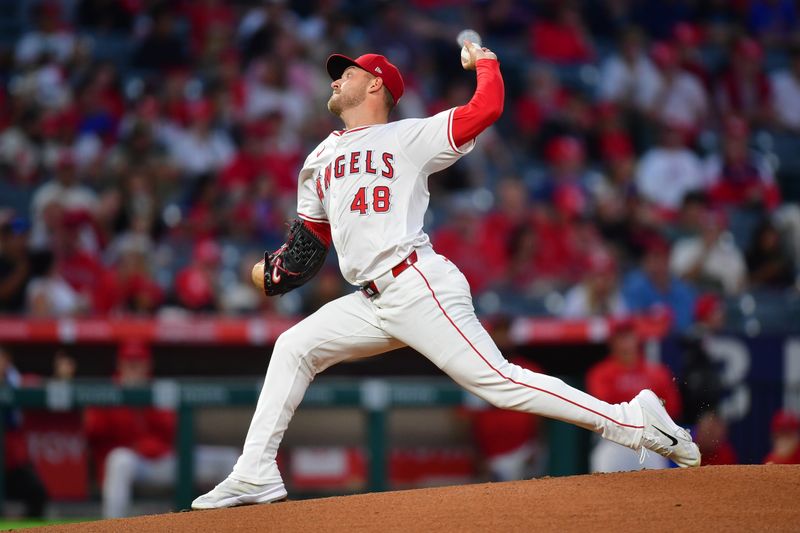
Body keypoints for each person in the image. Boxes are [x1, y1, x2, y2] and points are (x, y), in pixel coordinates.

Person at [192, 42, 700, 510]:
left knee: (500, 383)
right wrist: (269, 273)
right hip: (370, 301)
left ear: (374, 84)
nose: (333, 81)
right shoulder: (319, 157)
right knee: (293, 347)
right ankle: (255, 470)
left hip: (417, 283)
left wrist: (486, 63)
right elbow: (306, 249)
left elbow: (487, 109)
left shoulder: (408, 135)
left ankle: (635, 422)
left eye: (343, 73)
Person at [84, 341, 237, 517]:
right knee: (119, 460)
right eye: (129, 362)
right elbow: (93, 433)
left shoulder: (159, 390)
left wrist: (145, 404)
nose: (134, 368)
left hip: (165, 460)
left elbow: (175, 431)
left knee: (228, 459)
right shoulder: (107, 393)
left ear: (148, 365)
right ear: (120, 364)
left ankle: (238, 525)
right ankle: (111, 528)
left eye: (138, 362)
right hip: (136, 464)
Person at [586, 320, 682, 473]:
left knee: (657, 490)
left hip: (650, 442)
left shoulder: (656, 372)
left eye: (629, 336)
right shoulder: (600, 373)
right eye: (620, 337)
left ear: (637, 339)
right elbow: (605, 407)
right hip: (613, 441)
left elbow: (673, 408)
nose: (626, 343)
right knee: (606, 490)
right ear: (612, 343)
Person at [1, 345, 48, 518]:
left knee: (37, 493)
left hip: (10, 465)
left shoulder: (15, 381)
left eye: (2, 359)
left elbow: (36, 383)